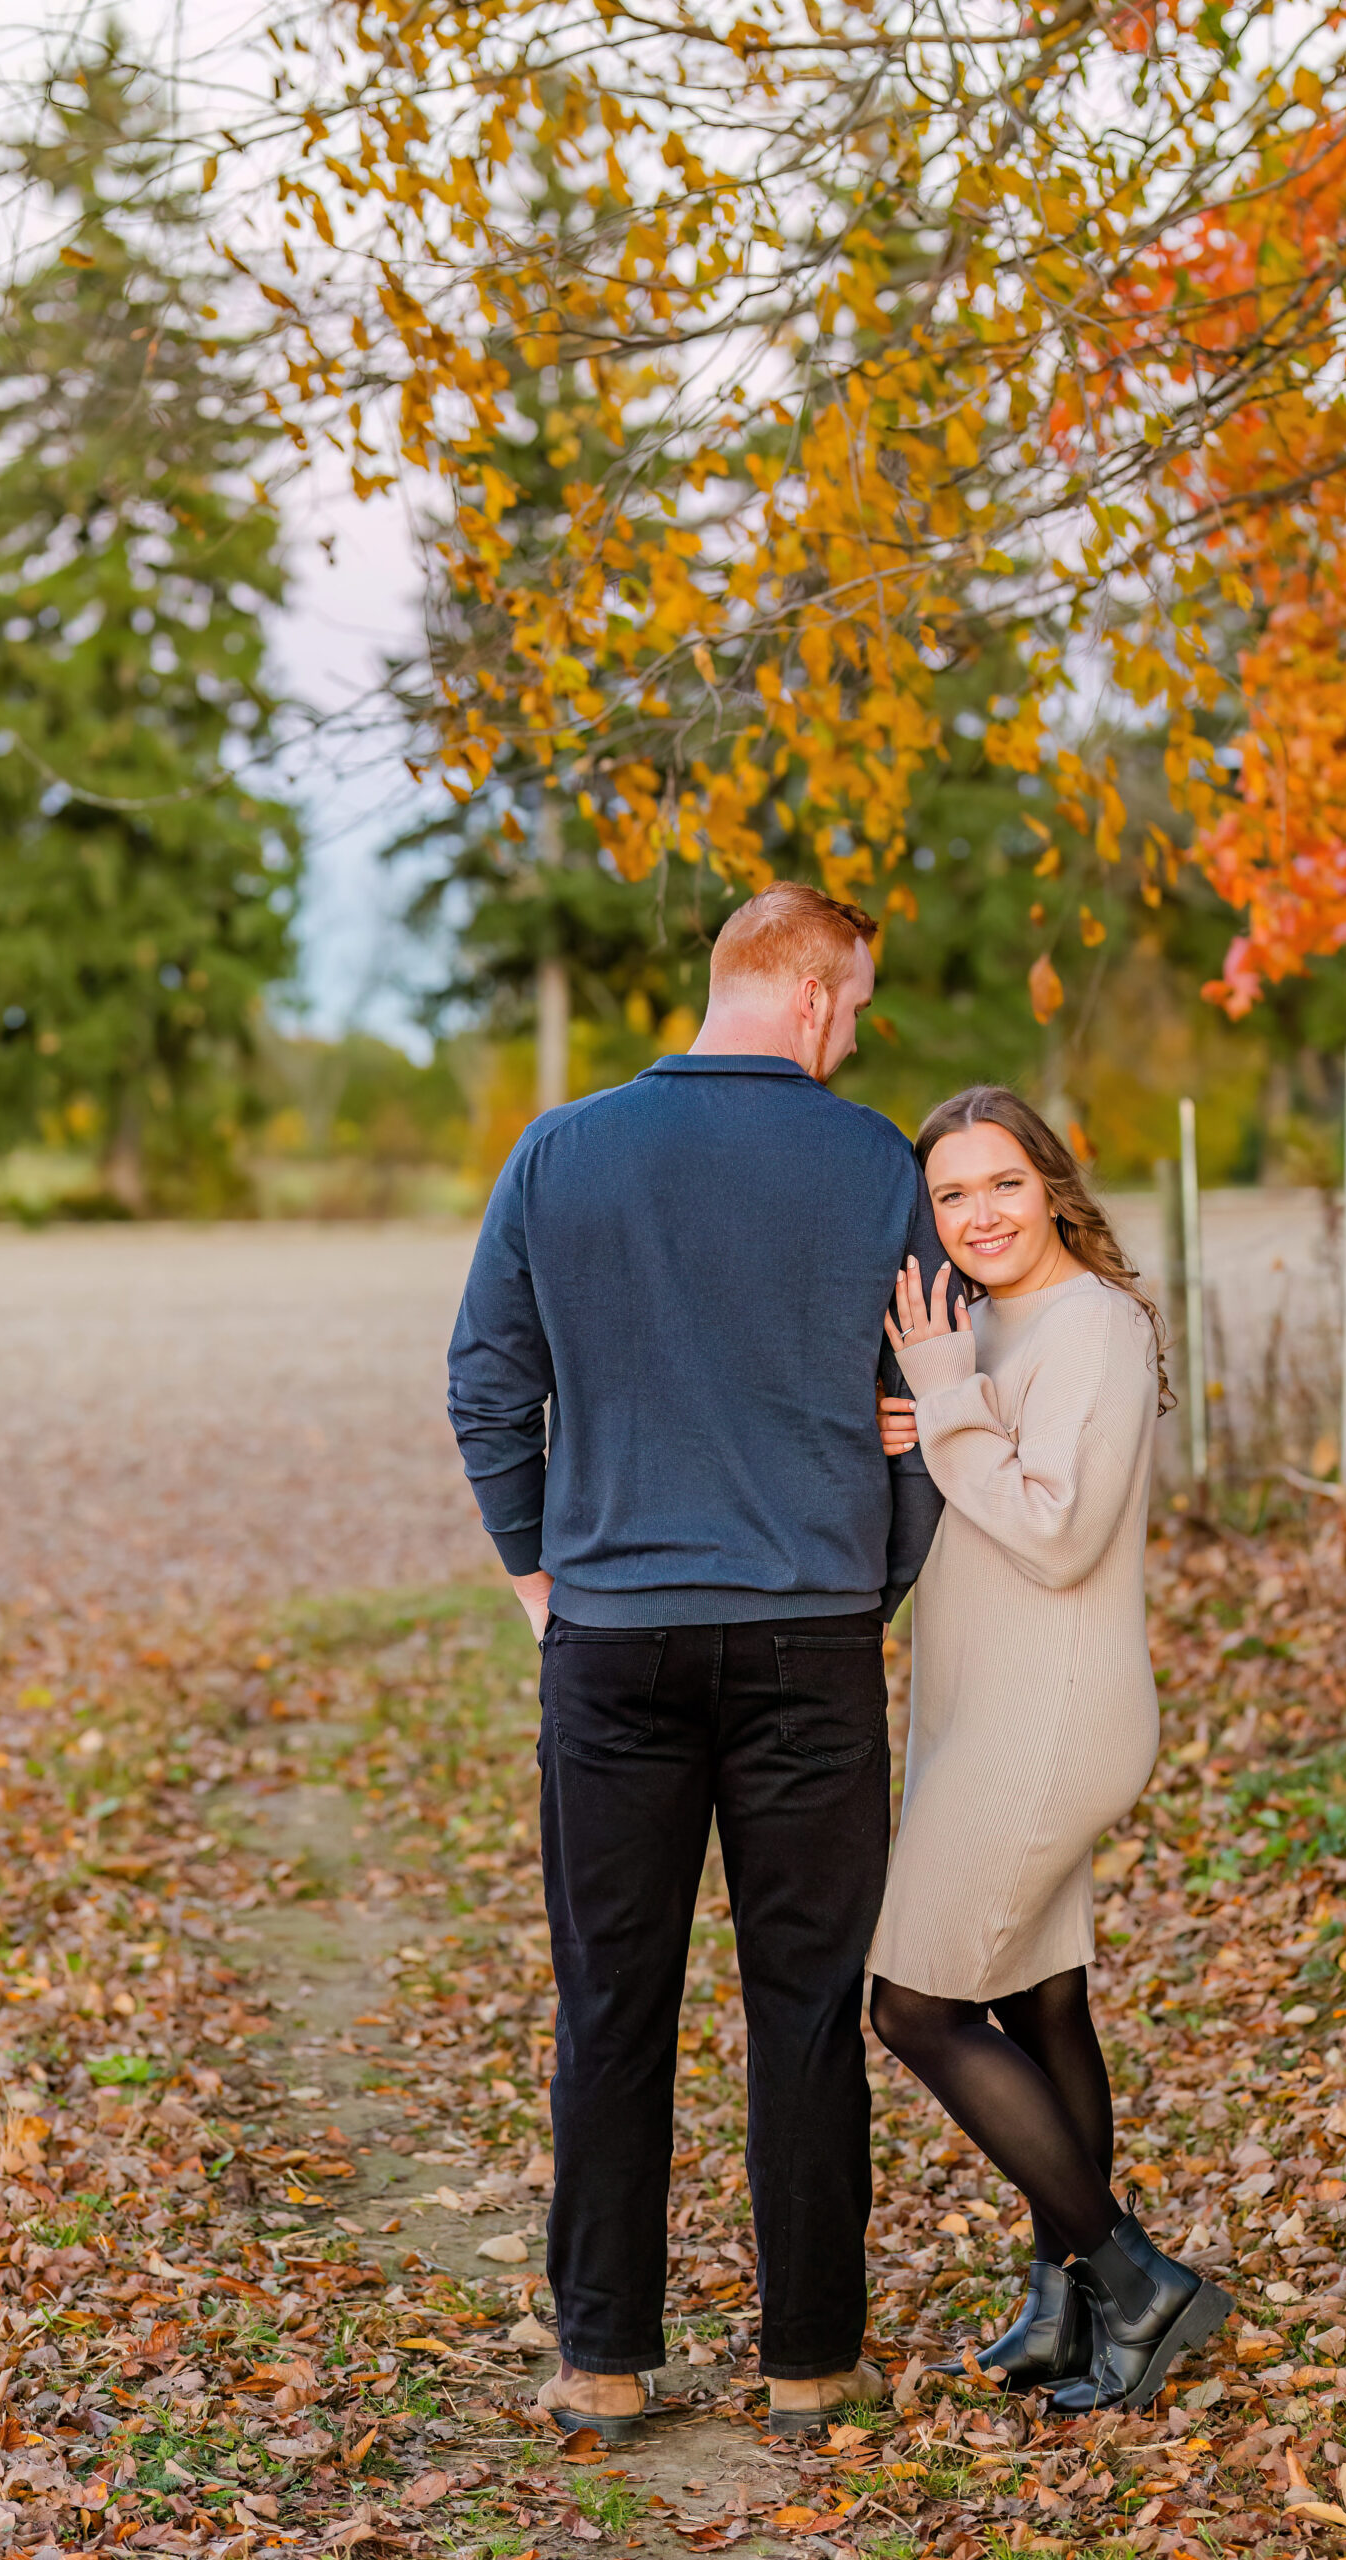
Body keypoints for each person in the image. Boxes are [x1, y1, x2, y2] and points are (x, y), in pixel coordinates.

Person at [446, 883, 943, 2439]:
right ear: (811, 995)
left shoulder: (561, 1152)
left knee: (612, 1997)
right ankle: (810, 2360)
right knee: (806, 2002)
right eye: (856, 1006)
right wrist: (874, 1579)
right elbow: (934, 1396)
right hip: (809, 1637)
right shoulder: (874, 1163)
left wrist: (540, 1577)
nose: (855, 1035)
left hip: (612, 1642)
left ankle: (603, 2356)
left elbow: (485, 1384)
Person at [871, 1087, 1232, 2411]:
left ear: (1054, 1187)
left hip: (1053, 1715)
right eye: (952, 1194)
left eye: (1004, 1184)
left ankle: (1136, 2282)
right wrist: (936, 1418)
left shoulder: (1093, 1325)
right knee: (1040, 2000)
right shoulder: (978, 1325)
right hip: (981, 1708)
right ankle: (1061, 2305)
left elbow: (1058, 1530)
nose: (980, 1215)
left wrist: (950, 1410)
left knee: (913, 2006)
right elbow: (965, 1461)